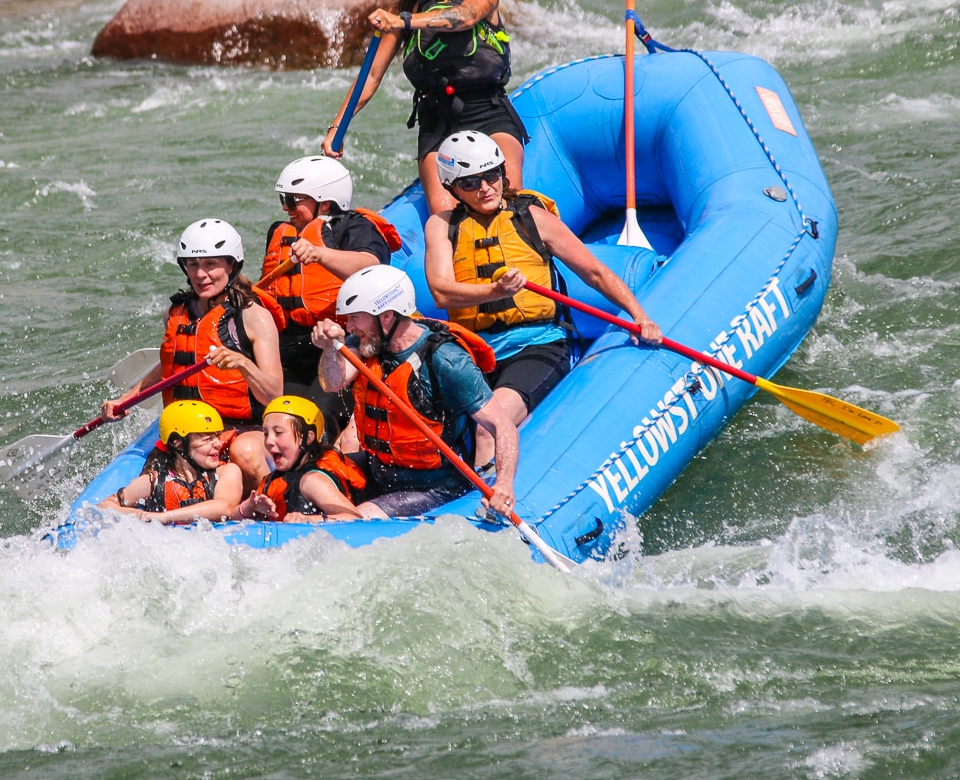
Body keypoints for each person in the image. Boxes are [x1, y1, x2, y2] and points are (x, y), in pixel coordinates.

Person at [424, 131, 663, 468]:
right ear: (452, 188)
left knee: (488, 428)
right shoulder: (441, 225)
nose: (486, 188)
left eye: (492, 175)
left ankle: (491, 498)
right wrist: (495, 292)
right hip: (474, 354)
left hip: (537, 345)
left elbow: (594, 272)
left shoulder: (531, 218)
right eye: (471, 183)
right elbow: (440, 291)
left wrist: (640, 316)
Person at [320, 0, 524, 214]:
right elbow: (370, 76)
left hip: (488, 111)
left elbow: (465, 17)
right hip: (437, 121)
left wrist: (403, 21)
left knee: (510, 201)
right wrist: (337, 127)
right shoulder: (407, 5)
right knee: (444, 214)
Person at [310, 264, 520, 520]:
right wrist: (330, 347)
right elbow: (333, 382)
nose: (349, 327)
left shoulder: (445, 359)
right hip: (380, 470)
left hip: (434, 486)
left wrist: (504, 483)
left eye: (355, 317)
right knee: (310, 477)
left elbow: (502, 426)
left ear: (386, 316)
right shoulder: (368, 342)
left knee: (360, 516)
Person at [103, 218, 283, 486]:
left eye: (210, 264)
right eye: (193, 264)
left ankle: (269, 499)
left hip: (242, 430)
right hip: (189, 430)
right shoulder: (175, 313)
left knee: (244, 453)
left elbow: (274, 394)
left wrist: (243, 364)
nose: (200, 275)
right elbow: (171, 366)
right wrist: (125, 400)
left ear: (231, 265)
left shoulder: (254, 317)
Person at [260, 156, 401, 435]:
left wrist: (320, 254)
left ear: (324, 203)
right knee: (279, 418)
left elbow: (372, 267)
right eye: (283, 199)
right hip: (290, 347)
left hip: (341, 345)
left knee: (314, 422)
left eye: (293, 200)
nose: (286, 207)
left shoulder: (355, 227)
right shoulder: (280, 231)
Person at [99, 400, 244, 523]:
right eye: (207, 439)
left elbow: (224, 507)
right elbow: (105, 505)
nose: (218, 444)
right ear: (178, 444)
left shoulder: (226, 472)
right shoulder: (155, 481)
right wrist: (139, 515)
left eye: (217, 436)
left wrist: (164, 517)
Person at [233, 396, 364, 523]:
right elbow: (229, 519)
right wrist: (248, 506)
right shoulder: (274, 479)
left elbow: (355, 519)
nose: (268, 441)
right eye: (266, 434)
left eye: (278, 433)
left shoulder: (312, 480)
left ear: (307, 438)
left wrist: (310, 519)